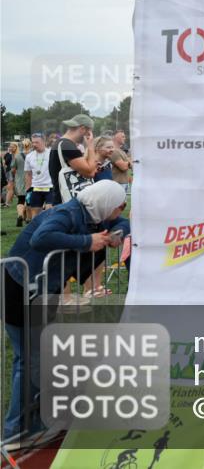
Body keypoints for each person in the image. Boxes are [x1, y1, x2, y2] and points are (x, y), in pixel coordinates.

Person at [2, 180, 129, 439]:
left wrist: (116, 234)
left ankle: (36, 420)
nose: (122, 209)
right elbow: (41, 238)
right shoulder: (67, 213)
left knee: (41, 357)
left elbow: (124, 223)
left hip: (42, 291)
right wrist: (86, 241)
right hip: (19, 288)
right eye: (120, 205)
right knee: (29, 360)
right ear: (106, 203)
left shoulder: (93, 214)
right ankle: (16, 430)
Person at [48, 114, 98, 205]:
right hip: (67, 203)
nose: (89, 136)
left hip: (61, 199)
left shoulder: (61, 143)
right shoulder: (67, 145)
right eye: (89, 133)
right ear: (82, 129)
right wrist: (91, 146)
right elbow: (90, 172)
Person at [24, 134, 53, 222]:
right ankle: (35, 230)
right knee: (35, 216)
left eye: (37, 142)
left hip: (50, 187)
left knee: (50, 212)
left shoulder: (52, 153)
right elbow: (28, 174)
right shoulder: (29, 156)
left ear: (44, 142)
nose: (34, 144)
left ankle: (49, 229)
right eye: (33, 142)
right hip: (36, 188)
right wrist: (28, 190)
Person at [9, 142, 28, 227]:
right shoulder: (34, 155)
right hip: (32, 180)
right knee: (29, 199)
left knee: (21, 199)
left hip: (20, 180)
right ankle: (27, 217)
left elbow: (13, 169)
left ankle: (20, 215)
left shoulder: (17, 156)